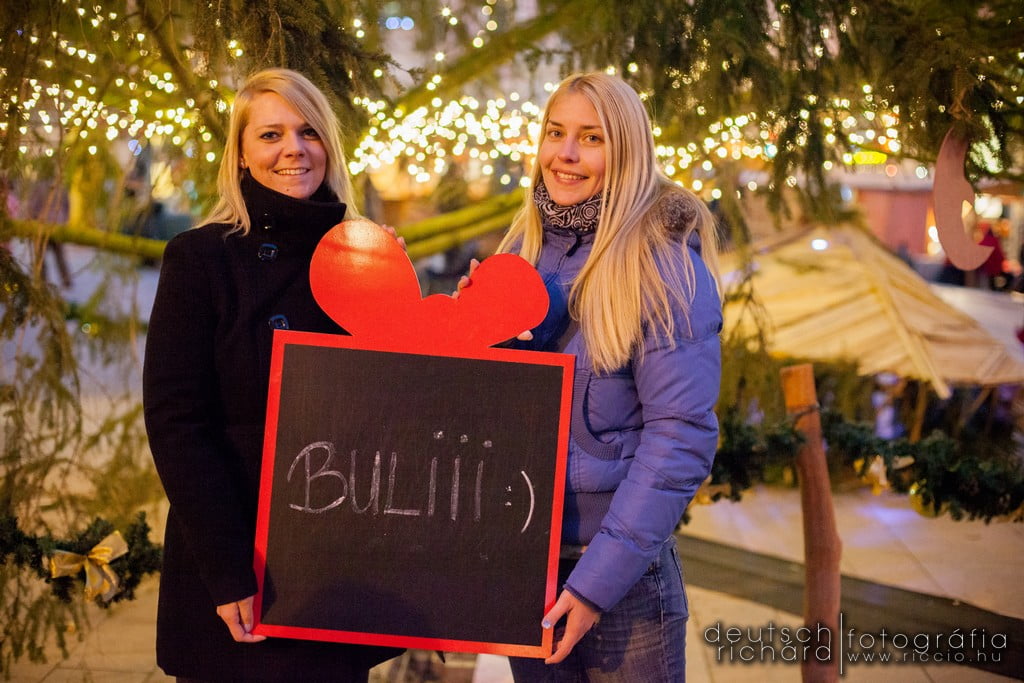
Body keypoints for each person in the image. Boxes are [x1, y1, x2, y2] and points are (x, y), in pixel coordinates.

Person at [143, 68, 400, 682]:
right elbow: (178, 427)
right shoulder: (201, 259)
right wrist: (228, 569)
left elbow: (401, 407)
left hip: (337, 567)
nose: (294, 149)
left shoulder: (367, 259)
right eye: (270, 134)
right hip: (238, 565)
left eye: (309, 132)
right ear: (240, 153)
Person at [495, 72, 723, 680]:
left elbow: (681, 438)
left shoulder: (663, 268)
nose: (565, 154)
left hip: (622, 586)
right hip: (525, 561)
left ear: (627, 152)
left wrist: (596, 585)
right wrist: (477, 326)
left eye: (591, 138)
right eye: (555, 133)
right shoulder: (522, 252)